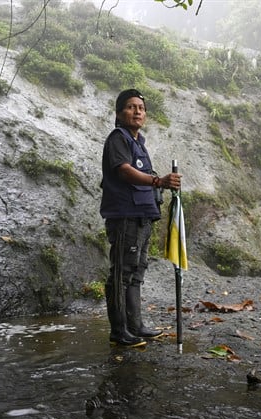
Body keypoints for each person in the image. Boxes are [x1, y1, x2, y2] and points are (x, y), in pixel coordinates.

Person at [100, 89, 182, 347]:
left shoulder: (139, 142)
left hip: (143, 217)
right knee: (122, 273)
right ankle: (119, 331)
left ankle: (135, 326)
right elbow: (124, 171)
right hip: (125, 216)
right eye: (131, 107)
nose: (137, 111)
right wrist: (158, 180)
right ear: (119, 113)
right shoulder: (118, 139)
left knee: (136, 272)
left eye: (141, 108)